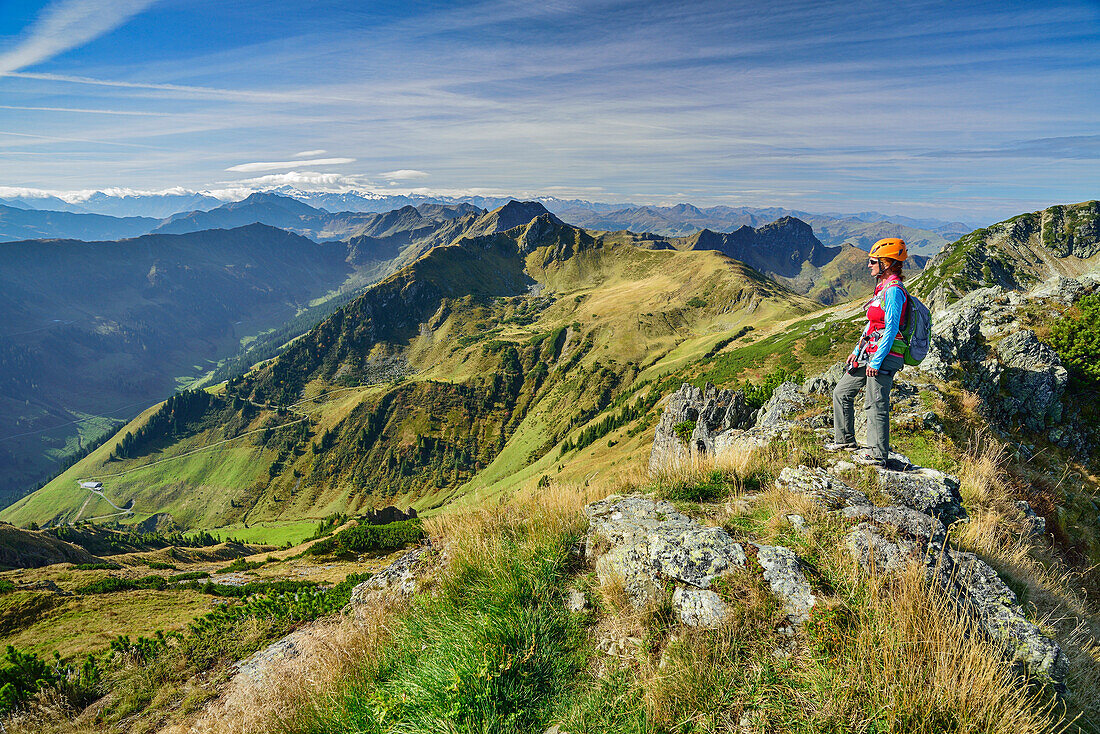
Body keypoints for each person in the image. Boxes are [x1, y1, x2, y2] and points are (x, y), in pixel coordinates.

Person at [826, 238, 909, 467]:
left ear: (887, 263)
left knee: (875, 403)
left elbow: (891, 329)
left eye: (873, 261)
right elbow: (872, 324)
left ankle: (877, 455)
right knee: (841, 392)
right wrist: (856, 351)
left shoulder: (893, 291)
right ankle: (844, 441)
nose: (869, 265)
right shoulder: (881, 288)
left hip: (886, 355)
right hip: (869, 351)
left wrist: (877, 361)